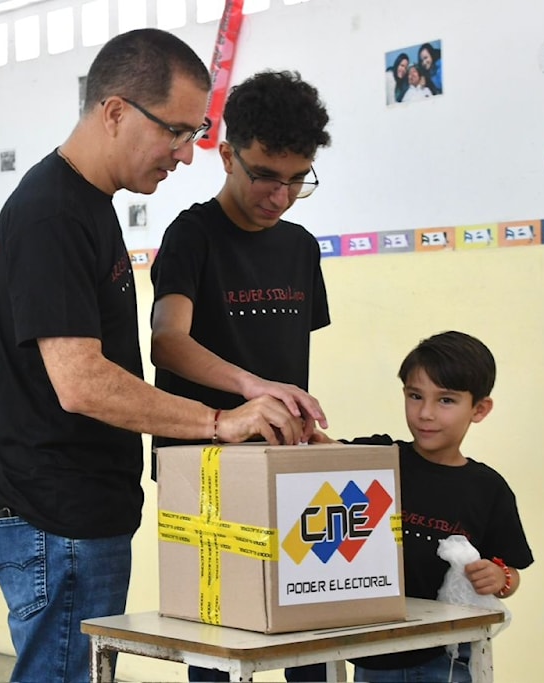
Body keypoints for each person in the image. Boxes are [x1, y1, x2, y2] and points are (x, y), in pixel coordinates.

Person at [0, 29, 307, 683]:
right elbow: (81, 381)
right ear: (116, 111)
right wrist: (220, 422)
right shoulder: (53, 215)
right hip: (55, 516)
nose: (186, 156)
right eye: (177, 132)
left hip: (82, 512)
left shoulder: (90, 207)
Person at [149, 69, 332, 682]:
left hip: (284, 465)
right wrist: (250, 388)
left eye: (295, 180)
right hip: (204, 468)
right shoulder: (191, 236)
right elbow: (168, 343)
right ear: (227, 155)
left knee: (311, 634)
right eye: (263, 175)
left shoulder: (302, 247)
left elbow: (289, 359)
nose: (278, 195)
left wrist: (303, 424)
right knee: (222, 644)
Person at [311, 331, 534, 683]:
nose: (425, 413)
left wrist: (500, 577)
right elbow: (321, 455)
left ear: (479, 409)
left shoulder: (488, 488)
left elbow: (510, 572)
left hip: (449, 655)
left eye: (445, 400)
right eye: (415, 396)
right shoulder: (379, 460)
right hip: (374, 652)